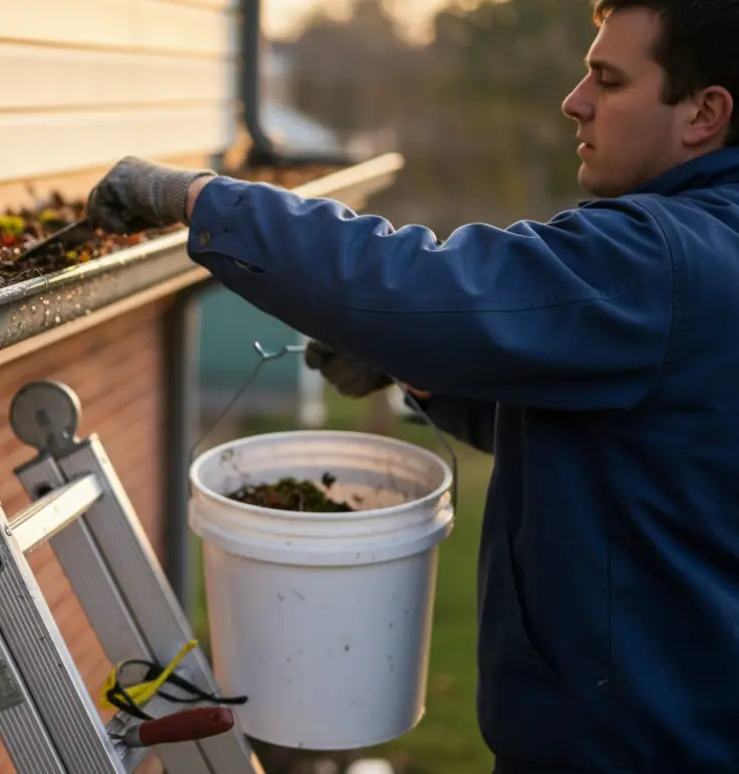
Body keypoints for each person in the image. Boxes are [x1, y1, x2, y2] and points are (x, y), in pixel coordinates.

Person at [84, 1, 739, 772]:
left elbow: (418, 286)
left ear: (704, 113)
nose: (576, 99)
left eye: (609, 78)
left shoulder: (662, 259)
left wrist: (196, 198)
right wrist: (419, 374)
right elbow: (612, 435)